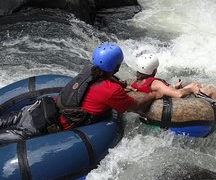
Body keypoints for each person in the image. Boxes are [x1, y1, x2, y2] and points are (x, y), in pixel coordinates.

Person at [0, 43, 158, 146]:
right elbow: (136, 106)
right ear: (116, 67)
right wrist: (154, 95)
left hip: (34, 110)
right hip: (40, 127)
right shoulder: (112, 91)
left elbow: (103, 83)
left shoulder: (89, 71)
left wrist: (121, 84)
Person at [130, 53, 216, 110]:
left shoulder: (135, 83)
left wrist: (174, 87)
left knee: (194, 84)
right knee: (208, 89)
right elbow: (178, 95)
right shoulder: (155, 83)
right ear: (154, 70)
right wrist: (189, 89)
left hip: (165, 103)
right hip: (175, 105)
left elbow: (160, 93)